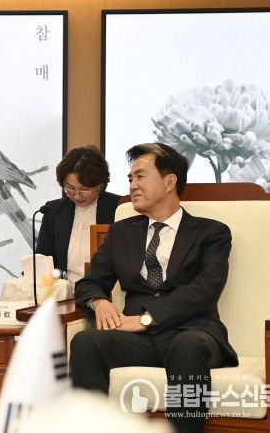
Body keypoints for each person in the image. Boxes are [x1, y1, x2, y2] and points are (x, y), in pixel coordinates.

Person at [70, 143, 238, 433]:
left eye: (140, 176)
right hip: (138, 341)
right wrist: (99, 302)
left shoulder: (211, 232)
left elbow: (206, 288)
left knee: (187, 347)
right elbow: (90, 283)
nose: (132, 185)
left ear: (170, 181)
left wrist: (149, 318)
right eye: (130, 178)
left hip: (191, 332)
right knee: (86, 342)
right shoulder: (121, 232)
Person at [36, 146, 121, 283]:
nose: (77, 195)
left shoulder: (119, 208)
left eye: (84, 189)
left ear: (100, 184)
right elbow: (43, 259)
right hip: (64, 291)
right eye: (70, 188)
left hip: (107, 291)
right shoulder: (54, 211)